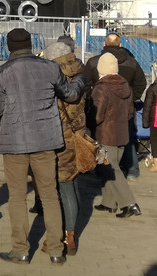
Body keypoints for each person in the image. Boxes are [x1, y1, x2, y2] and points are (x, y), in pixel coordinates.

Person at [0, 28, 84, 266]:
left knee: (17, 197)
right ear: (31, 44)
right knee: (50, 195)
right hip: (46, 140)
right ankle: (55, 250)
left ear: (9, 47)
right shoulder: (49, 68)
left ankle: (20, 250)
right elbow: (70, 95)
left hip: (14, 142)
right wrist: (81, 78)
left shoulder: (1, 73)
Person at [44, 39, 86, 256]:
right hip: (78, 136)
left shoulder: (55, 79)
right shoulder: (78, 72)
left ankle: (67, 236)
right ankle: (68, 233)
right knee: (73, 183)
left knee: (64, 188)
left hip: (60, 139)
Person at [83, 33, 147, 177]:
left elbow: (85, 83)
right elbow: (141, 83)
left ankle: (102, 171)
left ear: (104, 44)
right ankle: (131, 170)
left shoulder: (94, 62)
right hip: (125, 107)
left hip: (101, 104)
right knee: (128, 137)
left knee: (100, 138)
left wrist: (91, 99)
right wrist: (130, 97)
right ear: (120, 45)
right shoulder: (131, 62)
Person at [92, 53, 141, 218]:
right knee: (111, 168)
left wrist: (89, 125)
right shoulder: (125, 85)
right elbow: (129, 112)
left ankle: (130, 204)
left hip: (105, 135)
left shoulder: (101, 88)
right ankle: (109, 203)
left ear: (101, 69)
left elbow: (96, 115)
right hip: (122, 133)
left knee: (110, 168)